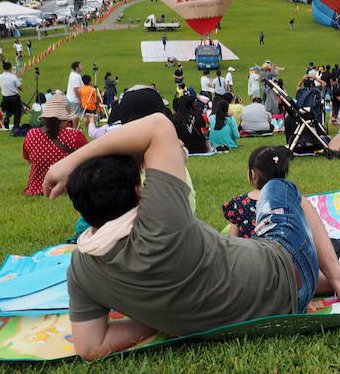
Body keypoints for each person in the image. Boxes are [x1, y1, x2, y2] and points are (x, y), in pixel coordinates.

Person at [41, 114, 317, 360]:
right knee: (278, 189)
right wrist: (71, 161)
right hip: (290, 270)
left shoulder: (82, 268)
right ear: (140, 190)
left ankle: (333, 279)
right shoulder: (161, 216)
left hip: (258, 299)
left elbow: (90, 346)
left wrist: (163, 317)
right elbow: (158, 126)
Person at [221, 146, 340, 289]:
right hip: (294, 275)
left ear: (252, 174)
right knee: (317, 269)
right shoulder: (292, 201)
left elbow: (232, 246)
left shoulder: (237, 205)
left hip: (257, 278)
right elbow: (306, 237)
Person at [22, 92, 88, 196]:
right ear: (64, 117)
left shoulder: (31, 134)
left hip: (36, 188)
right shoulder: (75, 136)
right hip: (65, 188)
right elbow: (89, 160)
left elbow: (28, 160)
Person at [0, 61, 23, 130]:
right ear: (10, 68)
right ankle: (16, 126)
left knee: (7, 112)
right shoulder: (13, 77)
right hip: (14, 97)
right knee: (17, 113)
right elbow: (20, 88)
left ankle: (6, 121)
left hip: (5, 97)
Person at [66, 61, 85, 128]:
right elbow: (75, 89)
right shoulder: (76, 76)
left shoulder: (73, 74)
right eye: (80, 66)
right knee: (75, 116)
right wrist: (80, 99)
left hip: (70, 97)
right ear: (76, 68)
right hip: (74, 99)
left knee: (74, 115)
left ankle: (74, 128)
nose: (82, 67)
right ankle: (75, 129)